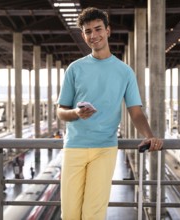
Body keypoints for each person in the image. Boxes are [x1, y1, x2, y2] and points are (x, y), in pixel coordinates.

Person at [56, 7, 163, 220]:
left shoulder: (125, 72)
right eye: (88, 31)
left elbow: (136, 112)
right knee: (69, 214)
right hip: (74, 147)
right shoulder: (74, 69)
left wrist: (149, 135)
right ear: (83, 35)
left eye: (98, 29)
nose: (93, 35)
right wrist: (76, 113)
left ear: (108, 31)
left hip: (105, 149)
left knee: (93, 214)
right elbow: (61, 111)